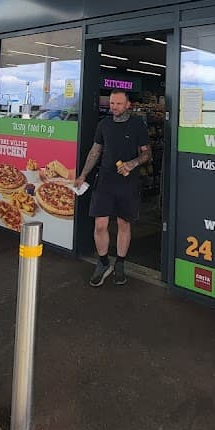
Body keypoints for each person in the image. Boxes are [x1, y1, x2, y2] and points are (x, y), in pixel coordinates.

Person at [75, 89, 150, 286]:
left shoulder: (137, 125)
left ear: (128, 105)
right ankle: (102, 262)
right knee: (100, 224)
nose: (114, 107)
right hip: (105, 180)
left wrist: (132, 164)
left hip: (128, 182)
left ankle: (120, 263)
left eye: (118, 103)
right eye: (111, 104)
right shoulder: (104, 124)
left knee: (124, 224)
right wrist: (83, 174)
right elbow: (95, 151)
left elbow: (146, 154)